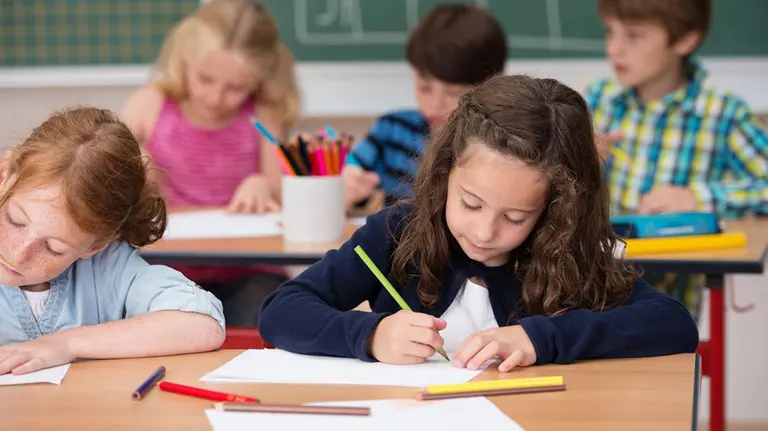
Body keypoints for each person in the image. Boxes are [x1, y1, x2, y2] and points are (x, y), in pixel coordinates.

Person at [260, 75, 699, 371]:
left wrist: (539, 339)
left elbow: (673, 324)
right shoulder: (397, 232)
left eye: (515, 217)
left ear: (555, 209)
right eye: (470, 205)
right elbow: (281, 311)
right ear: (446, 174)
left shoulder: (567, 250)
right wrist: (371, 335)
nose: (486, 233)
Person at [0, 107, 225, 375]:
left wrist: (65, 344)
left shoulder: (109, 268)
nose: (19, 252)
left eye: (54, 248)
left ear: (96, 246)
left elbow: (203, 324)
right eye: (15, 220)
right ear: (4, 177)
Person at [122, 0, 300, 327]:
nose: (216, 98)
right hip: (166, 268)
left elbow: (281, 196)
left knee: (268, 316)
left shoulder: (263, 114)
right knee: (158, 321)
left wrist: (263, 186)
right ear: (184, 61)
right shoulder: (151, 105)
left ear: (259, 80)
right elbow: (103, 169)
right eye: (205, 79)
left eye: (235, 88)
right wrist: (140, 181)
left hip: (250, 272)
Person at [586, 0, 768, 320]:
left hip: (665, 305)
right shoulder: (599, 101)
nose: (614, 49)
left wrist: (697, 198)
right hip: (590, 293)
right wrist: (581, 160)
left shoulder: (721, 114)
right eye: (609, 32)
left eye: (634, 36)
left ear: (685, 40)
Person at [343, 3, 508, 209]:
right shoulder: (392, 129)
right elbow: (354, 174)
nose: (434, 105)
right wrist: (350, 182)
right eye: (424, 87)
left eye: (454, 93)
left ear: (490, 85)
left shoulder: (499, 144)